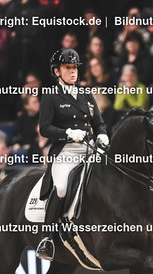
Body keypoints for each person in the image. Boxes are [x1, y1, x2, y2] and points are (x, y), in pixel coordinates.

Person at [36, 48, 107, 260]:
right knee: (61, 187)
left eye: (75, 67)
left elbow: (99, 123)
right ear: (57, 71)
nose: (73, 71)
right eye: (68, 67)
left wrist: (102, 135)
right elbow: (44, 128)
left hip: (89, 148)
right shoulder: (51, 96)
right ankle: (47, 238)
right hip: (66, 150)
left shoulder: (86, 93)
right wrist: (67, 133)